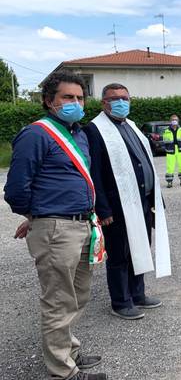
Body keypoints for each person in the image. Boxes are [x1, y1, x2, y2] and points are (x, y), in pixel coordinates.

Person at [4, 71, 107, 380]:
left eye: (79, 97)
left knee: (77, 294)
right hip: (56, 230)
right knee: (59, 299)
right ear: (49, 101)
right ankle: (63, 371)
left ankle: (68, 350)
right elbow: (17, 189)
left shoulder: (78, 134)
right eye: (67, 97)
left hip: (82, 225)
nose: (75, 103)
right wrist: (37, 217)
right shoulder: (36, 134)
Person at [84, 83, 171, 321]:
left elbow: (146, 164)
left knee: (141, 247)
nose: (121, 102)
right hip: (116, 205)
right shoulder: (95, 129)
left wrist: (157, 198)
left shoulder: (130, 125)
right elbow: (95, 173)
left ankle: (137, 293)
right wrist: (102, 208)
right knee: (120, 253)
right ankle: (121, 302)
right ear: (104, 103)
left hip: (141, 200)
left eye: (125, 98)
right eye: (115, 98)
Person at [163, 114, 181, 188]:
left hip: (179, 150)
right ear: (170, 121)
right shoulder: (166, 130)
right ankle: (169, 182)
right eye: (173, 120)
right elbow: (165, 141)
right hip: (170, 150)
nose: (174, 121)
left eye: (176, 120)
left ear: (178, 121)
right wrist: (166, 149)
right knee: (170, 167)